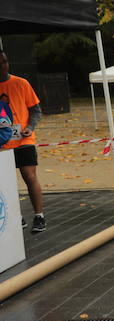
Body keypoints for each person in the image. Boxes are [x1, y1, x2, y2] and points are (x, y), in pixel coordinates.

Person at [0, 51, 46, 233]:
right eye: (0, 63)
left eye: (5, 61)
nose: (3, 65)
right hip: (3, 143)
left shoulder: (21, 83)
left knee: (29, 175)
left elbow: (36, 110)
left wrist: (30, 127)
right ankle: (16, 217)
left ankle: (39, 216)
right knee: (6, 181)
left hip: (23, 139)